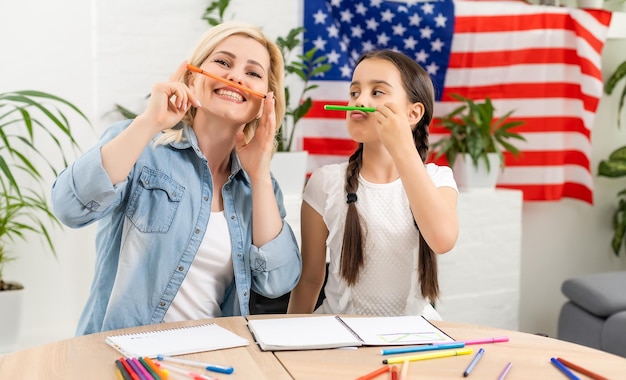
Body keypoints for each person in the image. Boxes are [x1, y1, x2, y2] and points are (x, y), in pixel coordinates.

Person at [51, 21, 301, 335]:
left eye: (253, 73)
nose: (236, 76)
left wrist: (261, 175)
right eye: (222, 62)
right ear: (192, 74)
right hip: (123, 356)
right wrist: (148, 122)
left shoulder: (259, 184)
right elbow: (68, 207)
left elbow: (278, 282)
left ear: (266, 99)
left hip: (214, 357)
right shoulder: (141, 144)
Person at [287, 50, 459, 319]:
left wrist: (401, 147)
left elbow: (442, 239)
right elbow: (309, 280)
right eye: (354, 92)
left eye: (377, 92)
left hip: (413, 339)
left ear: (413, 113)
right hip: (338, 337)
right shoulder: (324, 183)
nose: (360, 101)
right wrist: (288, 343)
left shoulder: (437, 179)